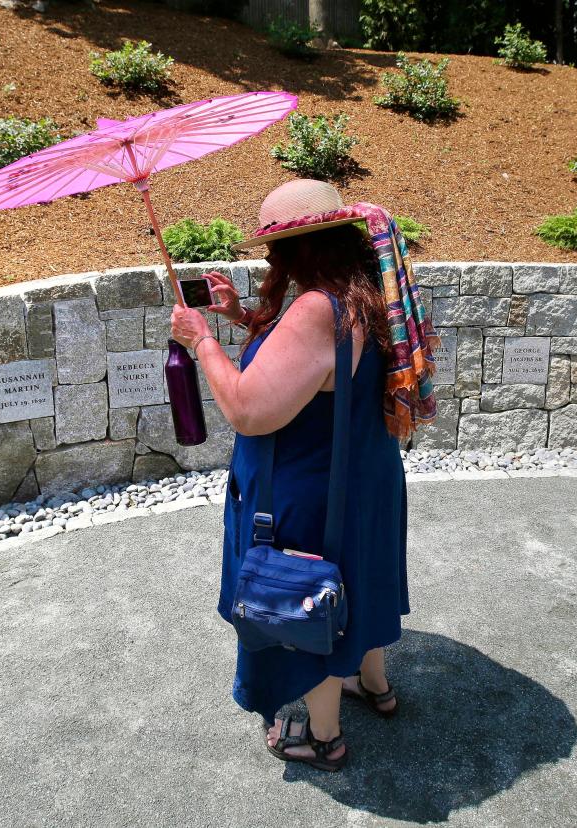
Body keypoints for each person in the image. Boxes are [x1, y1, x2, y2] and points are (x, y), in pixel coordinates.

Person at [169, 179, 438, 772]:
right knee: (358, 578)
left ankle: (321, 736)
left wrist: (202, 341)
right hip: (364, 478)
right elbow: (313, 370)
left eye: (273, 250)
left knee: (308, 603)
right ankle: (373, 683)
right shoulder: (364, 293)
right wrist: (241, 316)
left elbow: (248, 408)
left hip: (312, 490)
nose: (270, 261)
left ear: (296, 249)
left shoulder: (316, 309)